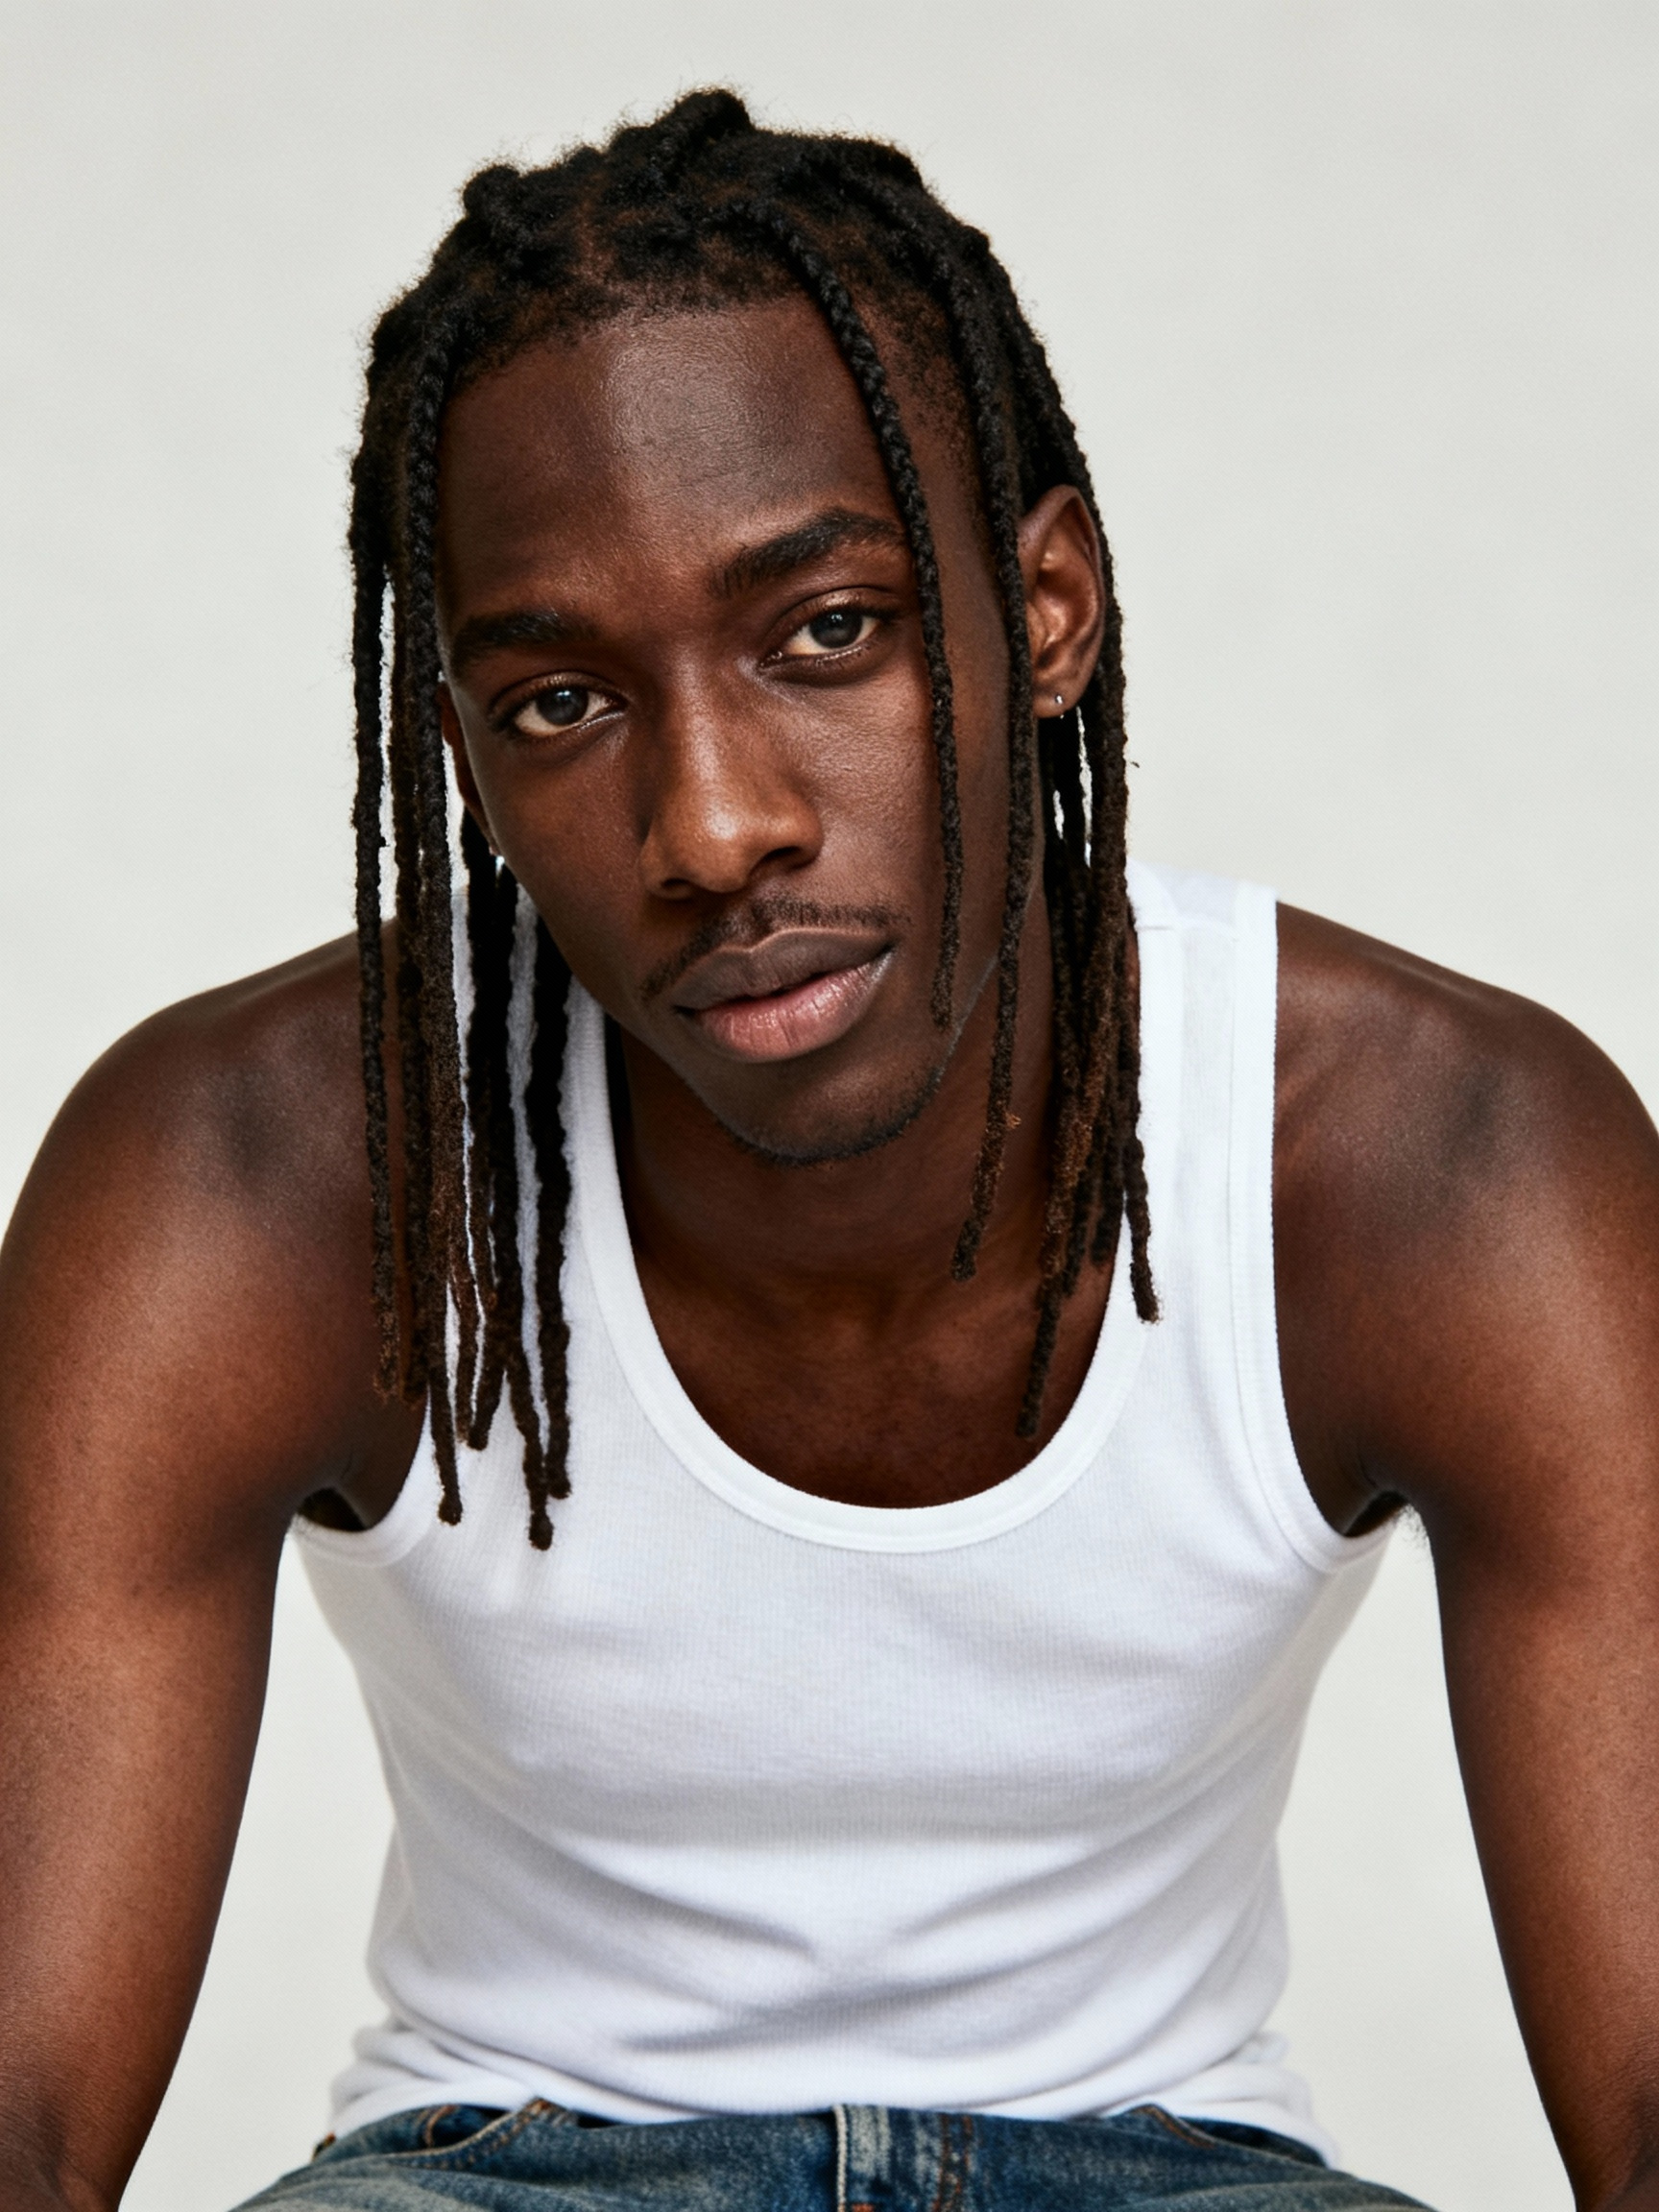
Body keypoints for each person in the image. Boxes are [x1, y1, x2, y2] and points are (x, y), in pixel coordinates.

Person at [1, 86, 1656, 2212]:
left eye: (828, 632)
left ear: (1048, 610)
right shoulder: (256, 1179)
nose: (712, 828)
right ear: (464, 753)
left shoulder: (1439, 1167)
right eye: (563, 705)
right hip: (499, 2171)